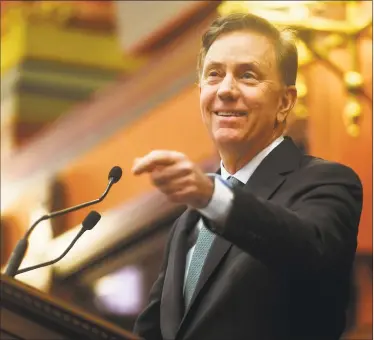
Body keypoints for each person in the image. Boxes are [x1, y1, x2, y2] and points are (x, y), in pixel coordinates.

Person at [131, 13, 363, 340]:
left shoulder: (327, 182)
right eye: (214, 75)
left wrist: (212, 197)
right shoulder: (186, 225)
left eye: (247, 76)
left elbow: (309, 251)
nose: (226, 90)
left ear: (285, 102)